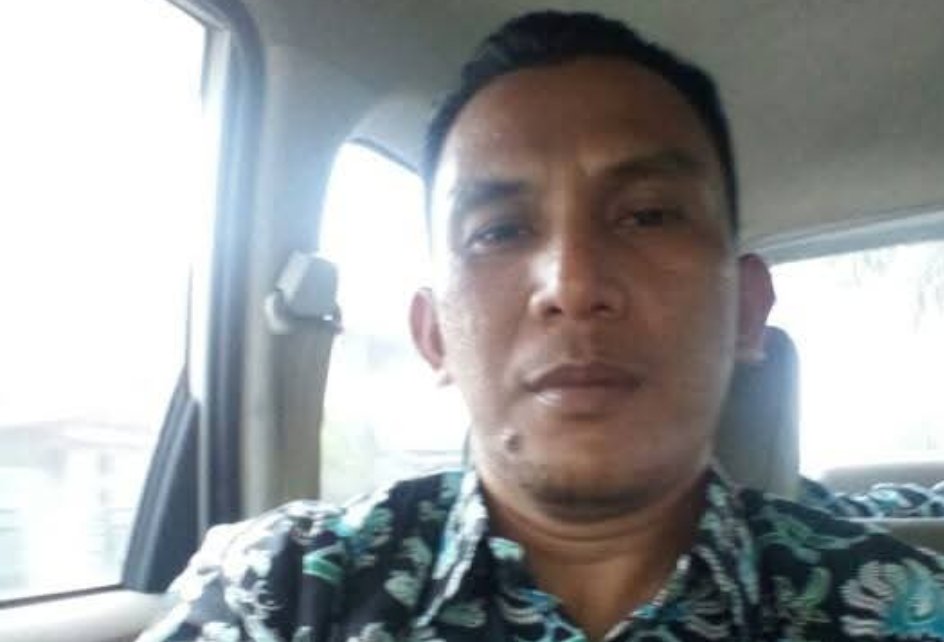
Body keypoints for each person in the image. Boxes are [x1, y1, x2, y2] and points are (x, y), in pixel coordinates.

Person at [139, 11, 944, 642]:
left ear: (745, 309)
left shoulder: (902, 608)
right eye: (498, 231)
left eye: (647, 215)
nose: (574, 284)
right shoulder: (283, 591)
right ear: (434, 335)